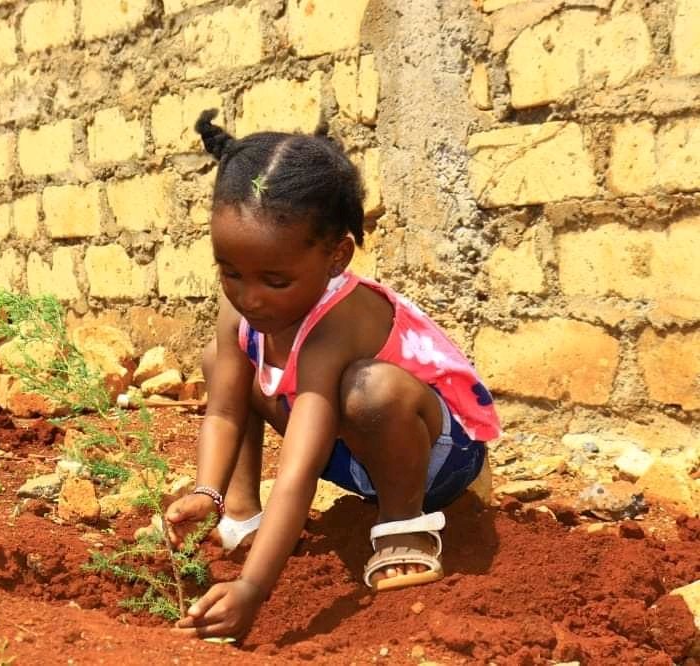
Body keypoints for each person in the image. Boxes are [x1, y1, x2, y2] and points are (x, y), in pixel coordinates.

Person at [165, 110, 501, 640]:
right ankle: (242, 513)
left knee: (370, 390)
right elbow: (225, 411)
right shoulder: (245, 309)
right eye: (230, 272)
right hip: (350, 451)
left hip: (436, 459)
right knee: (222, 358)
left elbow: (297, 473)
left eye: (275, 280)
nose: (249, 296)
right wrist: (207, 492)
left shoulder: (337, 325)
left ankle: (402, 527)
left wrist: (253, 590)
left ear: (337, 256)